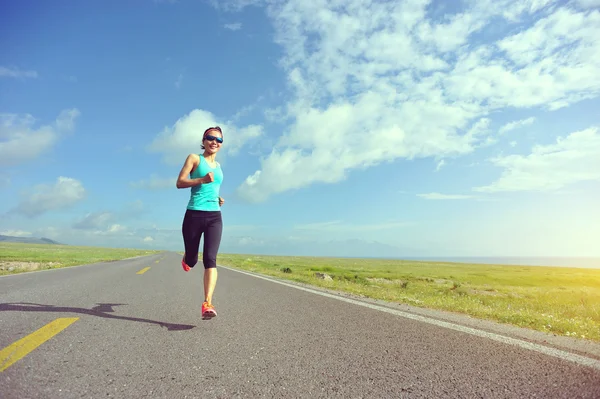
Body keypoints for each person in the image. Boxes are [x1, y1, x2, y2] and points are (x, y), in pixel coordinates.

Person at [176, 126, 225, 319]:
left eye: (219, 140)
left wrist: (218, 198)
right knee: (192, 260)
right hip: (194, 214)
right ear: (203, 140)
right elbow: (180, 182)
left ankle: (207, 303)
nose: (214, 142)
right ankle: (187, 259)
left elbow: (212, 188)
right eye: (211, 138)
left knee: (210, 259)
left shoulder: (219, 167)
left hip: (215, 216)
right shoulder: (194, 158)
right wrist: (201, 180)